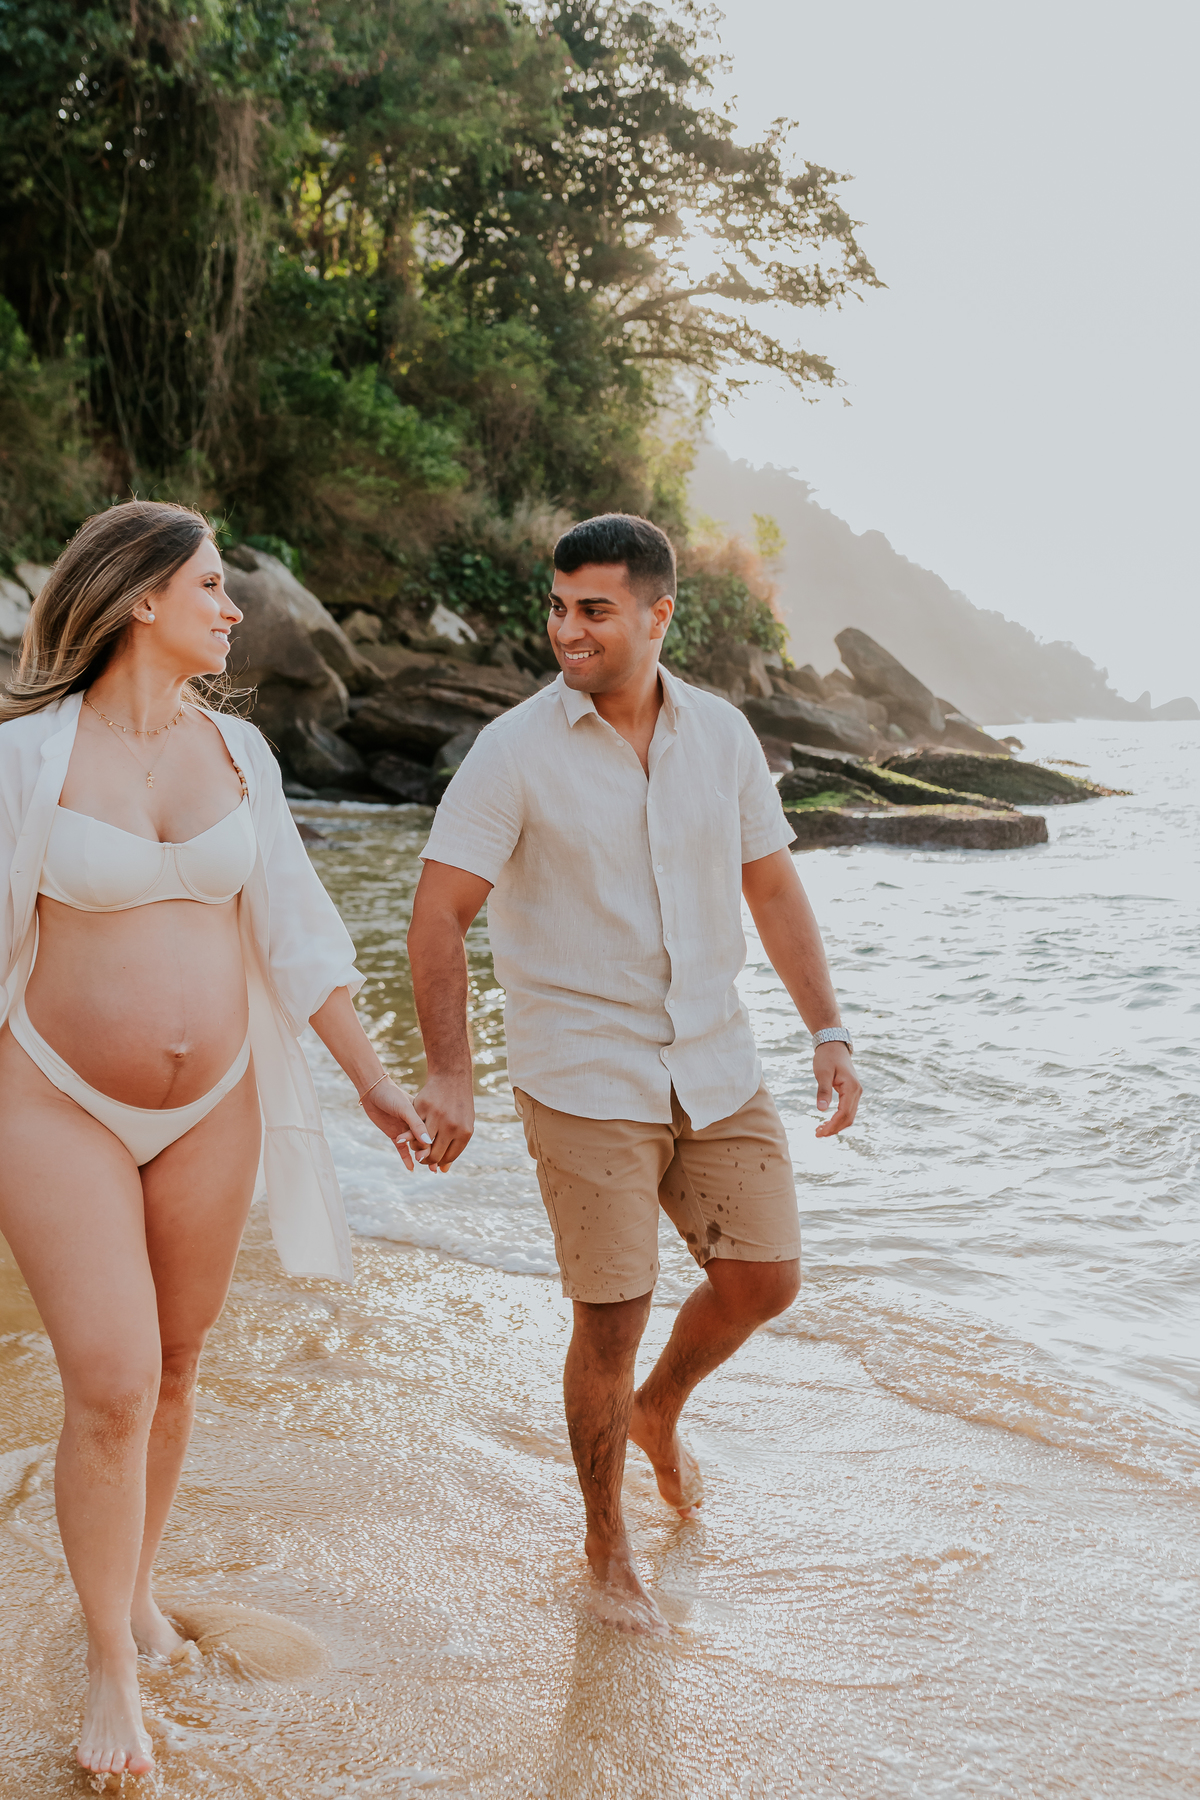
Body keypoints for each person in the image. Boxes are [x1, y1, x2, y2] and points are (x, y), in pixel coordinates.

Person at [0, 501, 431, 1780]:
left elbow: (299, 935)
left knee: (179, 1367)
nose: (233, 609)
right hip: (52, 1094)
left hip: (216, 1102)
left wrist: (377, 1083)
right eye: (209, 587)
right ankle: (110, 1671)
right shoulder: (24, 757)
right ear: (138, 598)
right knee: (116, 1379)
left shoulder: (243, 756)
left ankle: (134, 1586)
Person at [406, 512, 861, 1637]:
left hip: (714, 1055)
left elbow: (772, 889)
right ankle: (607, 1546)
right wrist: (451, 1074)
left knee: (766, 1278)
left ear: (660, 616)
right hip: (582, 1071)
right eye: (557, 608)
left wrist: (829, 1030)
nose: (568, 630)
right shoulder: (513, 749)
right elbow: (437, 915)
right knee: (609, 1314)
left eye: (594, 611)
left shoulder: (724, 737)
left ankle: (662, 1411)